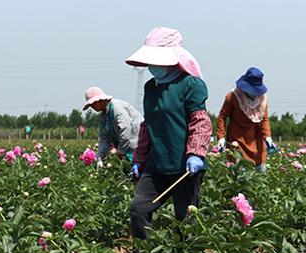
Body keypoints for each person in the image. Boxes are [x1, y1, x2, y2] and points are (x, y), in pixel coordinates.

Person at [125, 26, 212, 239]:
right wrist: (139, 159)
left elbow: (200, 120)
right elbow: (147, 125)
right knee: (138, 209)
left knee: (185, 220)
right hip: (156, 165)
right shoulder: (151, 88)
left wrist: (195, 153)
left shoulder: (190, 84)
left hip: (184, 166)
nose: (153, 66)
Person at [215, 67, 277, 172]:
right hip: (237, 138)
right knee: (239, 170)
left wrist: (268, 137)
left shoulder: (262, 99)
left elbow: (264, 119)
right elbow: (222, 117)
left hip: (256, 138)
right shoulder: (233, 97)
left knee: (260, 170)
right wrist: (221, 137)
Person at [82, 87, 143, 168]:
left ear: (100, 100)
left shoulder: (116, 108)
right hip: (127, 150)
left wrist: (120, 152)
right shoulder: (104, 116)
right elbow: (104, 138)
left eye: (93, 104)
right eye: (90, 105)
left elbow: (125, 130)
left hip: (139, 145)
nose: (91, 106)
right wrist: (99, 157)